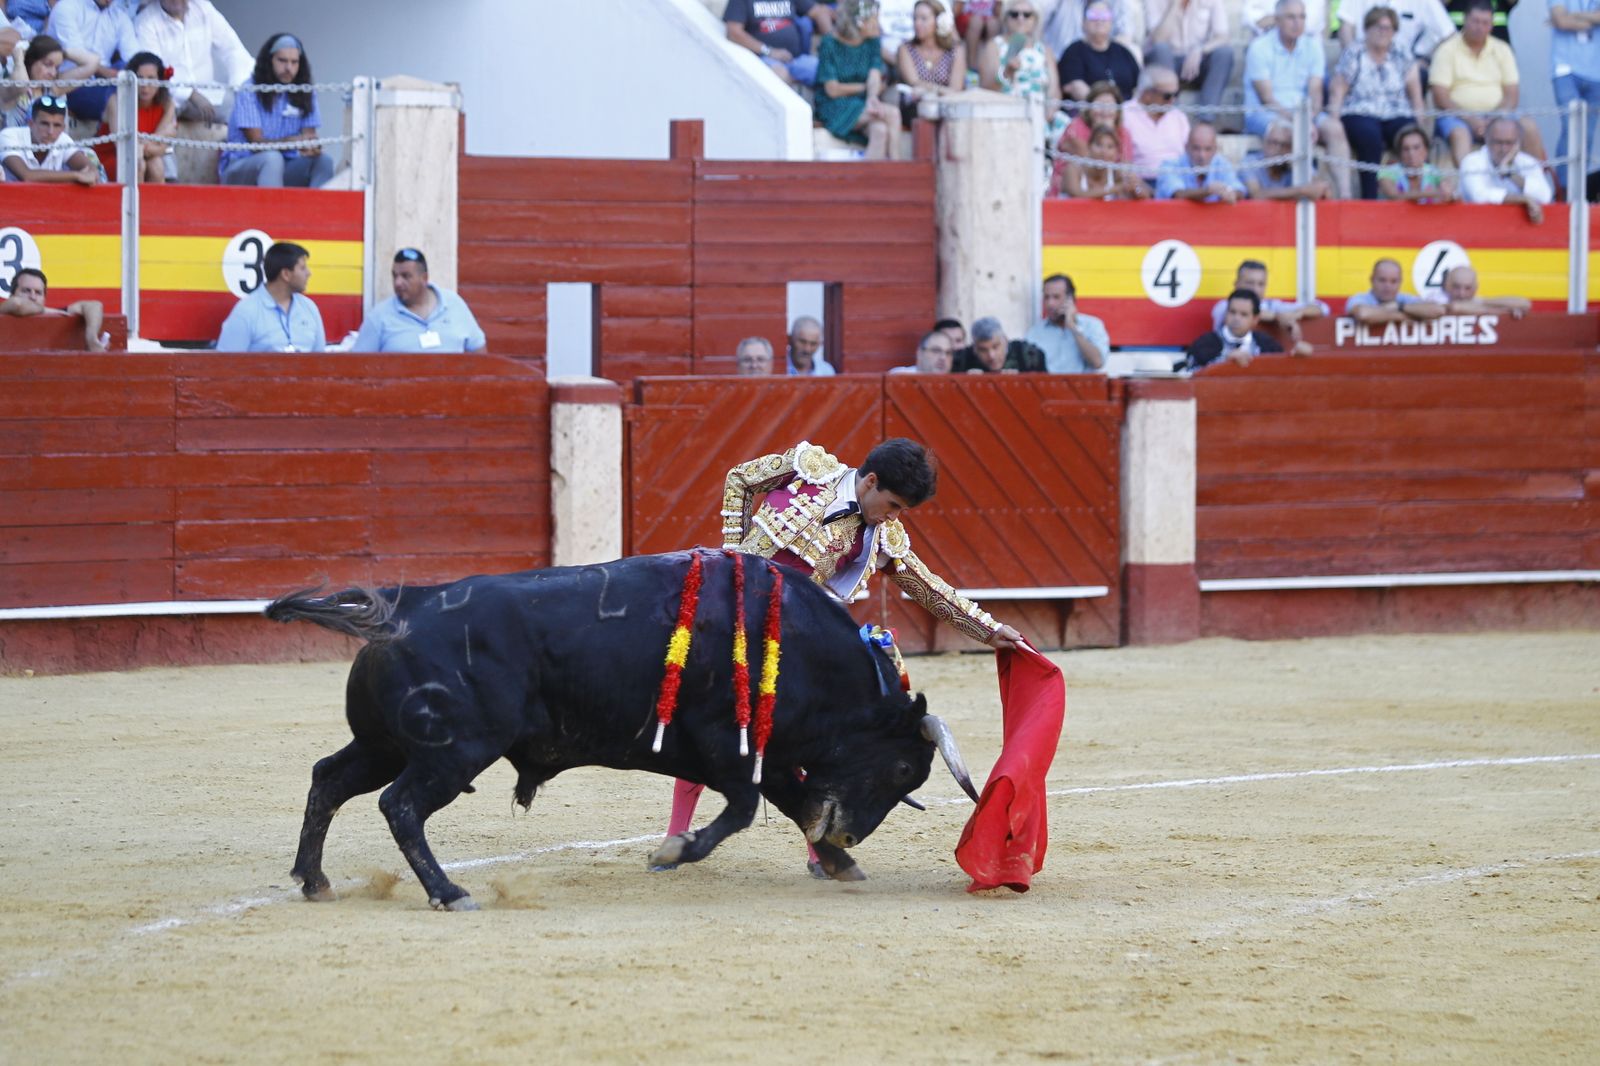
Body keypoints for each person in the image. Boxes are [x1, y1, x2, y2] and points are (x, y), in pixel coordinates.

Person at [664, 437, 1027, 875]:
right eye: (891, 504)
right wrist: (735, 559)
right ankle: (675, 837)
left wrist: (988, 630)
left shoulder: (883, 534)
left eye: (900, 511)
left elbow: (926, 586)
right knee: (723, 724)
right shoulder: (809, 469)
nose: (893, 516)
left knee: (809, 742)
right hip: (742, 622)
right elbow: (740, 479)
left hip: (803, 643)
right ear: (871, 481)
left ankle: (821, 854)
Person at [1244, 0, 1354, 199]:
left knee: (1335, 129)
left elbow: (1316, 91)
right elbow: (1267, 99)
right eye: (1291, 17)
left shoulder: (1313, 46)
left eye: (1302, 17)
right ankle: (1303, 194)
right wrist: (1301, 123)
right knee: (1289, 133)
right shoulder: (1259, 48)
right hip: (1267, 114)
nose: (1297, 22)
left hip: (1304, 113)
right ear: (1277, 20)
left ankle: (1345, 197)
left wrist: (1309, 120)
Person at [1328, 5, 1425, 199]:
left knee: (1409, 135)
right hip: (1360, 111)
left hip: (1396, 111)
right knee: (1369, 136)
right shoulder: (1355, 51)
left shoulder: (1401, 53)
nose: (1383, 32)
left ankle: (1416, 195)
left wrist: (1420, 125)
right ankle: (1369, 197)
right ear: (1367, 29)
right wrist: (1334, 120)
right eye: (1378, 27)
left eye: (1388, 28)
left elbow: (1415, 93)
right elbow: (1338, 91)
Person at [1429, 0, 1541, 164]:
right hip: (1458, 116)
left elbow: (1512, 94)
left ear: (1492, 25)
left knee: (1529, 127)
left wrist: (1495, 119)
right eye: (1475, 21)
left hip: (1497, 114)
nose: (1479, 27)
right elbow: (1440, 95)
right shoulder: (1447, 49)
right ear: (1465, 20)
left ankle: (1535, 183)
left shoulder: (1502, 49)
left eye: (1485, 23)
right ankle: (1470, 186)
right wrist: (1470, 119)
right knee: (1460, 135)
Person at [219, 33, 333, 187]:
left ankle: (317, 211)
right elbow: (256, 142)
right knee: (272, 159)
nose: (288, 68)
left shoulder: (305, 91)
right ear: (269, 61)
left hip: (285, 166)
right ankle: (273, 211)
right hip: (242, 167)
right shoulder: (249, 89)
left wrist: (312, 147)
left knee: (323, 162)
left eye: (294, 62)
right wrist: (291, 142)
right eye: (282, 61)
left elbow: (309, 135)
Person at [134, 0, 253, 125]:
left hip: (209, 93)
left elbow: (232, 49)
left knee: (242, 108)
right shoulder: (146, 22)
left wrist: (239, 88)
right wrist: (191, 94)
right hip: (171, 99)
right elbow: (155, 70)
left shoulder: (203, 9)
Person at [352, 248, 487, 354]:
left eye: (406, 276)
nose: (398, 283)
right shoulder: (379, 317)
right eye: (395, 276)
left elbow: (478, 349)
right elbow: (358, 365)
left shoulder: (454, 304)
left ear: (424, 278)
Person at [816, 0, 903, 160]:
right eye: (874, 19)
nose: (878, 24)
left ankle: (870, 183)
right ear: (861, 23)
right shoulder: (829, 43)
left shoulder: (872, 42)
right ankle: (897, 168)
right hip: (834, 106)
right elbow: (832, 90)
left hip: (862, 102)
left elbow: (874, 75)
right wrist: (864, 88)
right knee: (893, 114)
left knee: (880, 131)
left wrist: (871, 97)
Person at [215, 241, 325, 352]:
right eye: (302, 268)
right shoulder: (246, 311)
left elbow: (321, 360)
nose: (308, 273)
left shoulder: (309, 308)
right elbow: (225, 364)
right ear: (286, 274)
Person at [46, 0, 140, 121]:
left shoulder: (120, 16)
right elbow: (78, 56)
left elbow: (135, 57)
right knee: (117, 93)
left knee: (135, 70)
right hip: (73, 82)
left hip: (106, 82)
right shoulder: (67, 7)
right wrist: (110, 74)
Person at [978, 1, 1062, 132]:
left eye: (1027, 15)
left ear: (1035, 20)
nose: (1020, 18)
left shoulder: (1045, 50)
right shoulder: (994, 46)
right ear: (1005, 19)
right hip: (1005, 116)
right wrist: (1007, 72)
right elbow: (986, 89)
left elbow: (1054, 90)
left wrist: (1047, 114)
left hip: (1041, 117)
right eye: (1014, 14)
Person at [92, 50, 175, 183]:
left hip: (145, 157)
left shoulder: (167, 105)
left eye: (151, 78)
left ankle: (154, 204)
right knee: (138, 164)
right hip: (113, 158)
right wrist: (163, 134)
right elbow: (125, 148)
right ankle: (134, 203)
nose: (144, 85)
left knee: (156, 165)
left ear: (160, 80)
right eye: (139, 78)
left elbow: (163, 148)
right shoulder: (117, 101)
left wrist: (143, 147)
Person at [1208, 259, 1328, 346]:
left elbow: (1322, 308)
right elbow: (1236, 312)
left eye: (1261, 284)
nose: (1255, 289)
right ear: (1236, 284)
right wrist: (1277, 316)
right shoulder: (1224, 306)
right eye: (1250, 283)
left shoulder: (1271, 305)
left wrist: (1297, 314)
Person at [1142, 0, 1233, 112]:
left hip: (1198, 61)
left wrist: (1201, 50)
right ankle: (1171, 112)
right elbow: (1158, 39)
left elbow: (1223, 36)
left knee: (1224, 52)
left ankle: (1206, 120)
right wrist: (1175, 4)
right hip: (1167, 62)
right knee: (1161, 49)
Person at [1459, 116, 1552, 223]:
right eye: (1498, 143)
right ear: (1487, 140)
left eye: (1509, 143)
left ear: (1518, 143)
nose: (1504, 149)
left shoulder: (1527, 162)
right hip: (1477, 225)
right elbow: (1480, 196)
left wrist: (1510, 174)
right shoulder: (1472, 161)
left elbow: (1545, 196)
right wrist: (1523, 199)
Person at [1549, 0, 1600, 194]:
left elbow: (1561, 20)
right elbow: (1560, 21)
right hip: (1565, 69)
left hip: (1596, 73)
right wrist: (1593, 19)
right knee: (1571, 128)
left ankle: (1577, 191)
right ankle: (1564, 189)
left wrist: (1574, 17)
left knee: (1586, 133)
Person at [723, 0, 832, 86]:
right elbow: (733, 32)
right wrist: (769, 51)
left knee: (831, 72)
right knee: (780, 76)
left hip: (796, 59)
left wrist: (833, 46)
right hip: (762, 58)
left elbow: (819, 12)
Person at [0, 266, 107, 349]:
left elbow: (94, 306)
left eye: (38, 293)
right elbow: (17, 305)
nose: (32, 297)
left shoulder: (55, 313)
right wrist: (45, 310)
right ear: (12, 294)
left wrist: (92, 338)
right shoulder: (5, 309)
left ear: (44, 297)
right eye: (26, 291)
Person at [1185, 289, 1291, 370]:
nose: (1236, 318)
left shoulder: (1268, 345)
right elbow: (1191, 375)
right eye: (1232, 312)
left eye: (1244, 314)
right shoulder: (1204, 343)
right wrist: (1223, 362)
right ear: (1226, 313)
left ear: (1255, 319)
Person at [1, 94, 98, 182]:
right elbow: (27, 176)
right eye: (44, 124)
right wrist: (76, 175)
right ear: (31, 124)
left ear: (63, 128)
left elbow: (91, 170)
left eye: (57, 125)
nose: (50, 131)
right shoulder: (9, 136)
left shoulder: (63, 139)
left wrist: (90, 173)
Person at [1026, 273, 1108, 372]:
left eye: (1056, 297)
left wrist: (1073, 327)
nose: (1050, 304)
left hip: (1082, 386)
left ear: (1070, 299)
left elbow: (1097, 362)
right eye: (1046, 297)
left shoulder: (1092, 325)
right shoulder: (1035, 333)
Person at [1058, 1, 1140, 100]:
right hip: (1087, 111)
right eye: (1093, 16)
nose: (1099, 20)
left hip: (1125, 111)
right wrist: (1103, 106)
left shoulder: (1124, 52)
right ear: (1083, 22)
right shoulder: (1074, 51)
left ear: (1111, 22)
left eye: (1105, 16)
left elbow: (1139, 86)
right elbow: (1073, 86)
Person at [1336, 0, 1453, 68]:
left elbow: (1448, 33)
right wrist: (1353, 59)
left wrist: (1426, 61)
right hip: (1363, 63)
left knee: (1418, 75)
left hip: (1405, 67)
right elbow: (1346, 25)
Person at [1124, 63, 1189, 185]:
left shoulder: (1178, 116)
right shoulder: (1125, 114)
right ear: (1147, 94)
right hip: (1140, 183)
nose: (1173, 100)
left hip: (1178, 181)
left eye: (1176, 94)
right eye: (1167, 96)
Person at [1155, 120, 1246, 201]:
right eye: (1196, 148)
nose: (1202, 155)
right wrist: (1208, 191)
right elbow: (1178, 194)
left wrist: (1232, 194)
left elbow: (1239, 190)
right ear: (1186, 147)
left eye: (1208, 149)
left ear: (1215, 149)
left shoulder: (1221, 164)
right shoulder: (1170, 166)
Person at [1243, 120, 1333, 199]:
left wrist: (1321, 189)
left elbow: (1318, 186)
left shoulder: (1295, 163)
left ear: (1291, 148)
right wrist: (1301, 191)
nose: (1274, 149)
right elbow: (1256, 194)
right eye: (1270, 142)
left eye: (1282, 144)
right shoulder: (1251, 162)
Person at [1058, 123, 1150, 197]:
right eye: (1098, 145)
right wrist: (1118, 187)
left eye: (1110, 147)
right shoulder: (1073, 169)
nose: (1104, 151)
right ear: (1089, 147)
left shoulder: (1117, 172)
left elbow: (1146, 196)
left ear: (1116, 152)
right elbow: (1078, 195)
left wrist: (1135, 188)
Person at [896, 0, 967, 97]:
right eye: (915, 18)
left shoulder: (955, 49)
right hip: (916, 106)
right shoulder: (905, 48)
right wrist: (940, 90)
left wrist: (931, 90)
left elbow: (956, 89)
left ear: (938, 21)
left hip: (948, 105)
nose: (917, 23)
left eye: (923, 19)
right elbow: (914, 82)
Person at [1344, 256, 1446, 323]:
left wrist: (1399, 306)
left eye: (1393, 281)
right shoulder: (1360, 298)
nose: (1388, 286)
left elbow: (1438, 310)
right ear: (1372, 280)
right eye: (1382, 280)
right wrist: (1400, 316)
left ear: (1400, 282)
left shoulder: (1405, 299)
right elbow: (1363, 314)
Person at [1056, 79, 1134, 164]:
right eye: (1099, 105)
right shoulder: (1076, 126)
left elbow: (1126, 169)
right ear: (1089, 108)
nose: (1105, 111)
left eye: (1110, 105)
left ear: (1118, 111)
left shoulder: (1123, 132)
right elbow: (1092, 165)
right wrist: (1106, 131)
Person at [1377, 123, 1457, 200]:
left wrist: (1448, 193)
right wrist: (1436, 193)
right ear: (1400, 153)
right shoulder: (1387, 172)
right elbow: (1395, 196)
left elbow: (1450, 193)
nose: (1411, 154)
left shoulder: (1433, 172)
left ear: (1426, 151)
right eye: (1406, 149)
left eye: (1416, 147)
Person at [952, 315, 1048, 371]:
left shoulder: (1030, 356)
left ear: (1005, 340)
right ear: (974, 349)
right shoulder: (961, 360)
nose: (991, 355)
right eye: (983, 350)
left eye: (996, 347)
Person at [1437, 263, 1531, 317]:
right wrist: (1504, 311)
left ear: (1476, 287)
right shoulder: (1436, 299)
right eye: (1456, 287)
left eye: (1467, 288)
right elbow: (1456, 308)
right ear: (1447, 286)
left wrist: (1483, 303)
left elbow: (1524, 303)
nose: (1462, 293)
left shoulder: (1479, 301)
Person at [1242, 0, 1327, 36]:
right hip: (1265, 48)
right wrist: (1285, 19)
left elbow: (1311, 24)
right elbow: (1249, 17)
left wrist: (1276, 19)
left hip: (1306, 53)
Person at [889, 328, 956, 372]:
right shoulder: (900, 377)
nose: (943, 357)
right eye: (936, 351)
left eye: (948, 353)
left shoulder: (955, 385)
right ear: (920, 354)